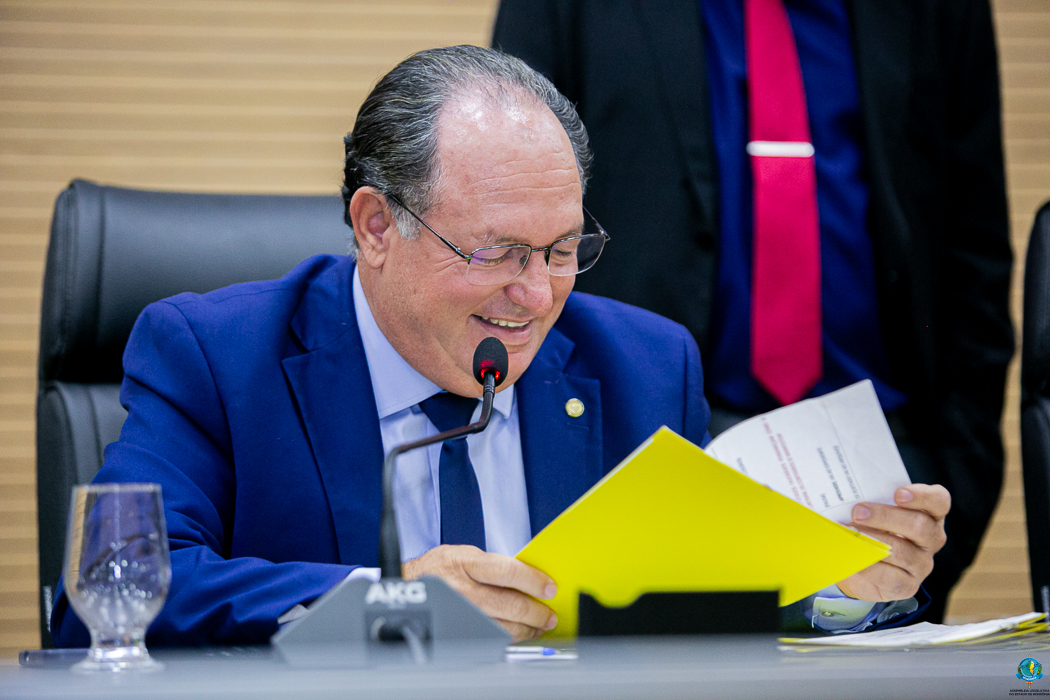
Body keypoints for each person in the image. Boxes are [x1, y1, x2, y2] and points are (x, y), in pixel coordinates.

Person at [51, 46, 948, 647]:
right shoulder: (216, 357)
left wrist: (842, 588)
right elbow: (113, 590)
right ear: (376, 226)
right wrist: (388, 601)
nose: (537, 294)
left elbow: (702, 612)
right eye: (497, 252)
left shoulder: (644, 367)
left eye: (561, 250)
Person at [492, 0, 1012, 622]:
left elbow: (974, 249)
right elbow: (513, 206)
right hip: (654, 456)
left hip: (881, 468)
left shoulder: (941, 13)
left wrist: (958, 481)